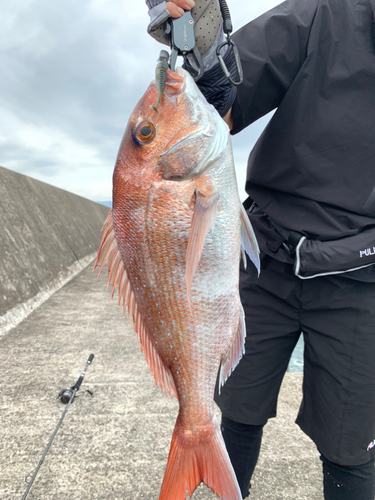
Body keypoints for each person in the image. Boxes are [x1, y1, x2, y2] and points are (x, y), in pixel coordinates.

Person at [146, 0, 375, 498]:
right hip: (265, 255)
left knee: (351, 449)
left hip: (363, 278)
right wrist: (196, 26)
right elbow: (223, 99)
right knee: (239, 413)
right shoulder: (327, 13)